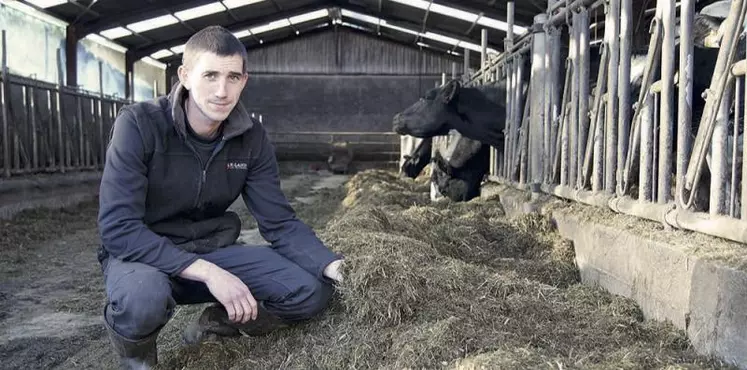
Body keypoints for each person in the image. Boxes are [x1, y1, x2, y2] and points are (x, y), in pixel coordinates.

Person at [97, 25, 344, 369]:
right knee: (142, 298)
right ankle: (138, 363)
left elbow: (280, 223)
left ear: (245, 80)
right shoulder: (139, 125)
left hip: (213, 249)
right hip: (145, 256)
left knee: (311, 291)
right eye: (210, 75)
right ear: (184, 75)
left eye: (232, 77)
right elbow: (118, 229)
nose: (222, 90)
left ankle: (218, 322)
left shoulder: (251, 138)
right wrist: (210, 274)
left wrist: (333, 265)